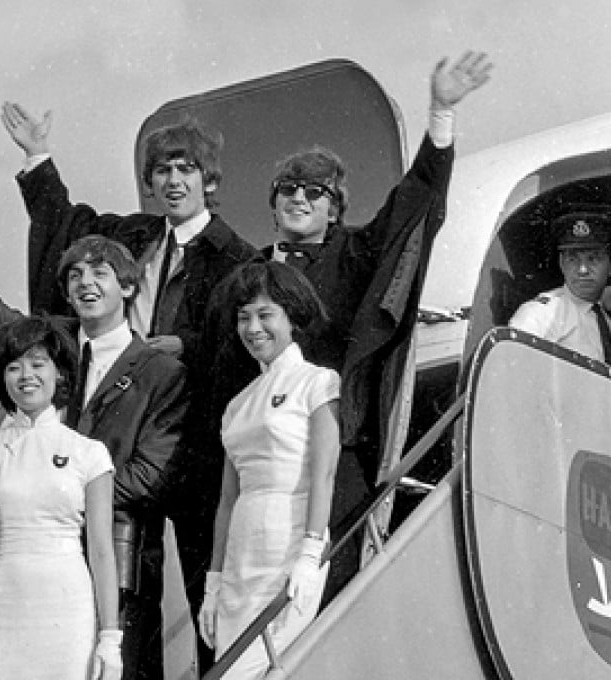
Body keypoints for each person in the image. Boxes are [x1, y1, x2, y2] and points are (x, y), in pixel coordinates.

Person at [206, 51, 494, 606]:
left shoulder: (358, 254)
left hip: (338, 451)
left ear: (335, 209)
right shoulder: (244, 280)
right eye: (288, 188)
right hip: (261, 458)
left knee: (329, 592)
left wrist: (440, 115)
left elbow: (417, 204)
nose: (298, 196)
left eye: (314, 191)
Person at [0, 104, 257, 672]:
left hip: (191, 447)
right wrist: (38, 156)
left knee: (206, 591)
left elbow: (235, 344)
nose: (172, 181)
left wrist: (182, 347)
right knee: (123, 592)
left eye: (185, 169)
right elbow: (65, 226)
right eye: (162, 170)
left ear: (208, 180)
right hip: (125, 435)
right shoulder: (135, 236)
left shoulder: (236, 258)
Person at [0, 139, 189, 680]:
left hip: (116, 566)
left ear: (127, 285)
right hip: (30, 577)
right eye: (75, 276)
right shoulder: (48, 347)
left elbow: (148, 476)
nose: (85, 284)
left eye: (99, 274)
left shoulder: (160, 370)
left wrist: (62, 489)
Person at [0, 315, 121, 680]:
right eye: (13, 367)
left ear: (59, 373)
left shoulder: (89, 453)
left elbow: (102, 550)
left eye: (37, 364)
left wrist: (110, 637)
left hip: (68, 608)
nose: (26, 375)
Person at [199, 261, 340, 680]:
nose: (253, 328)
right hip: (242, 550)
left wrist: (310, 554)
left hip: (290, 541)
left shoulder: (317, 382)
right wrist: (213, 582)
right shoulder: (237, 404)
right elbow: (227, 501)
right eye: (244, 317)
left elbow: (323, 474)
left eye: (265, 314)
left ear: (292, 317)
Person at [509, 211, 611, 364]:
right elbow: (512, 370)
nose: (583, 270)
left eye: (593, 259)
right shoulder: (542, 314)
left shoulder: (609, 327)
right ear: (562, 264)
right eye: (573, 259)